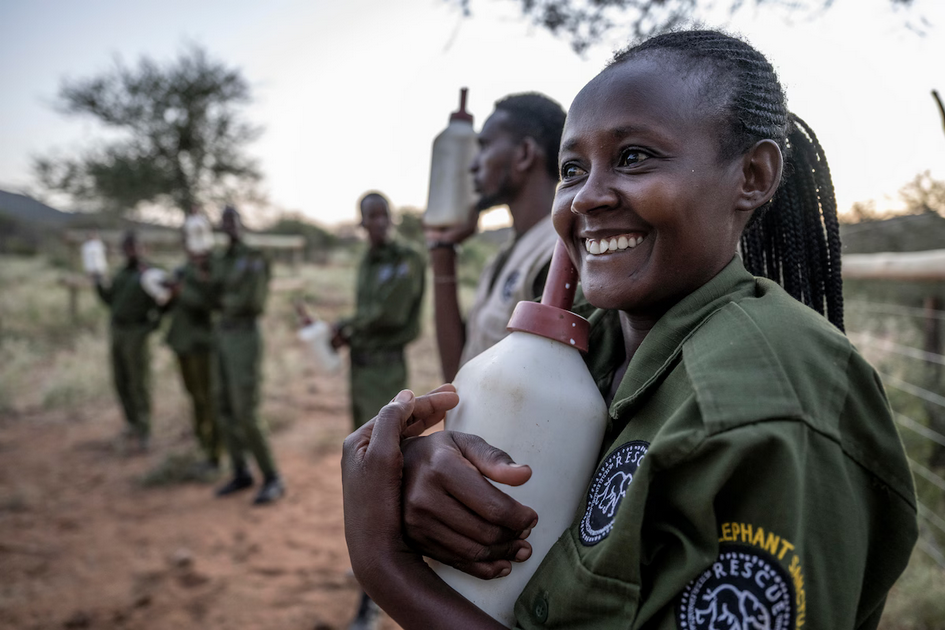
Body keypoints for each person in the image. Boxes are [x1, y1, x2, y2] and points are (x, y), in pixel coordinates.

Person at [340, 29, 919, 629]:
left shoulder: (764, 408)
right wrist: (435, 475)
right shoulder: (586, 343)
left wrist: (385, 565)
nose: (586, 197)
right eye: (572, 168)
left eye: (634, 157)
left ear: (752, 175)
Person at [332, 191, 426, 630]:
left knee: (385, 469)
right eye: (369, 217)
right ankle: (373, 567)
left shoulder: (405, 258)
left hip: (387, 373)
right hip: (361, 370)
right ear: (361, 222)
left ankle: (381, 587)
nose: (377, 223)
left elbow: (389, 313)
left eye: (382, 215)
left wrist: (348, 326)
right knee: (361, 463)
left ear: (390, 217)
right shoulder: (368, 261)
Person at [426, 93, 565, 382]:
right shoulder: (503, 258)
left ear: (524, 154)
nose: (473, 165)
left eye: (485, 146)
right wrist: (443, 252)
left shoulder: (556, 257)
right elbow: (458, 375)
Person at [212, 205, 285, 505]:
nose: (228, 226)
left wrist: (223, 299)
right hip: (222, 335)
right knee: (224, 406)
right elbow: (208, 294)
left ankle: (272, 476)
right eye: (224, 221)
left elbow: (252, 301)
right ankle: (240, 470)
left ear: (242, 224)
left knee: (246, 409)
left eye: (233, 220)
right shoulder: (219, 259)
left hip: (243, 336)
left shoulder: (254, 256)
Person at [93, 231, 163, 452]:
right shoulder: (121, 274)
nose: (132, 251)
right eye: (128, 247)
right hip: (118, 331)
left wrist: (149, 327)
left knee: (139, 382)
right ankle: (131, 422)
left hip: (136, 332)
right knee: (120, 379)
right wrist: (97, 282)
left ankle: (145, 430)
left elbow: (165, 302)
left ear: (143, 248)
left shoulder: (150, 273)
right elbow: (109, 299)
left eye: (135, 246)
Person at [165, 219, 221, 475]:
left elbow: (209, 303)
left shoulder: (209, 268)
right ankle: (203, 445)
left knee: (208, 399)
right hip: (183, 345)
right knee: (195, 398)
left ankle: (214, 453)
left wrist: (183, 292)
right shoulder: (183, 269)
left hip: (202, 346)